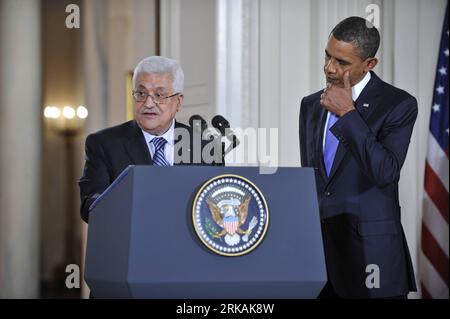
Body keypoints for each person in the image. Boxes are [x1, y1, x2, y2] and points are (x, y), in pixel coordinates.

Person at [299, 17, 417, 298]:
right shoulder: (310, 105)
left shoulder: (398, 104)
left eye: (341, 62)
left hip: (370, 259)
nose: (329, 67)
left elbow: (385, 172)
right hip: (320, 261)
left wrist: (348, 114)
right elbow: (315, 180)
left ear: (369, 64)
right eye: (327, 56)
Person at [79, 56, 222, 223]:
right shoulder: (104, 144)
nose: (148, 103)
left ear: (178, 102)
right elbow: (90, 207)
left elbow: (215, 206)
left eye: (159, 95)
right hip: (131, 243)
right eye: (141, 93)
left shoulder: (205, 147)